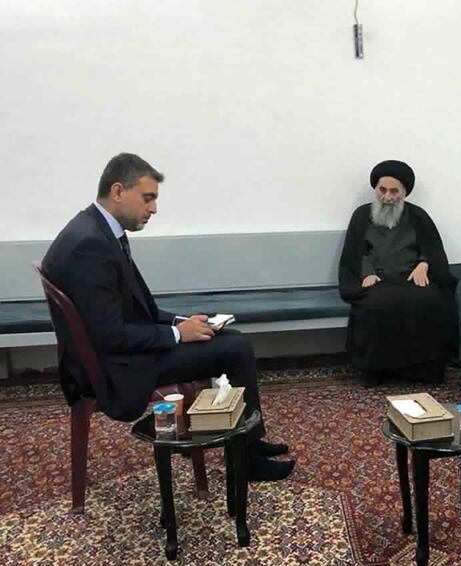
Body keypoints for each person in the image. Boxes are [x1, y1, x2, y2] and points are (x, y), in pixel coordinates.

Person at [42, 153, 294, 481]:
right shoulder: (88, 245)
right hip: (114, 367)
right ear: (118, 191)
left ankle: (250, 443)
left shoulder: (95, 230)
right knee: (236, 350)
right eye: (148, 198)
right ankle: (246, 459)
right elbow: (110, 335)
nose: (153, 209)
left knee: (226, 338)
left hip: (118, 353)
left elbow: (132, 311)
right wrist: (177, 335)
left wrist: (180, 322)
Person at [338, 160, 456, 384]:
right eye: (382, 190)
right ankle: (377, 372)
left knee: (431, 300)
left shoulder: (418, 215)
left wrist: (424, 264)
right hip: (377, 280)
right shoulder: (362, 215)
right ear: (375, 189)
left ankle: (423, 371)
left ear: (404, 192)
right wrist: (366, 272)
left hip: (412, 278)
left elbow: (431, 248)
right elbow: (355, 252)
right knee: (376, 305)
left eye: (394, 191)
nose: (387, 197)